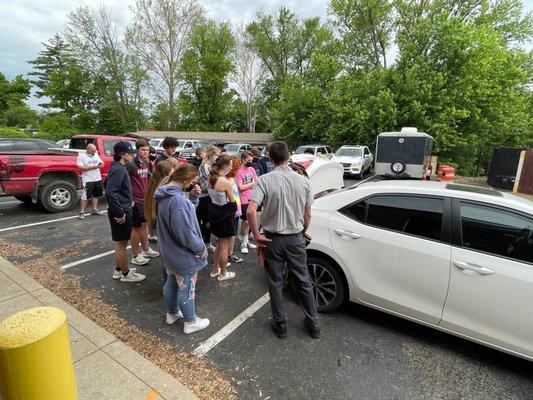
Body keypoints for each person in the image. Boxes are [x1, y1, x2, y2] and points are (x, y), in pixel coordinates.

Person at [247, 141, 320, 339]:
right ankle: (314, 323)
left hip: (272, 240)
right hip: (295, 239)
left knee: (276, 282)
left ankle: (280, 325)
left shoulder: (264, 180)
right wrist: (302, 231)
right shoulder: (304, 181)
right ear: (288, 157)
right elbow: (308, 216)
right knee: (303, 280)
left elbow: (251, 210)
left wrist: (256, 234)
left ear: (270, 158)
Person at [154, 164, 210, 333]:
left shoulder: (166, 193)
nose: (192, 185)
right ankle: (190, 322)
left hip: (169, 252)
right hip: (182, 254)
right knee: (187, 287)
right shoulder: (177, 200)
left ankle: (172, 313)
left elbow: (182, 218)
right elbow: (185, 233)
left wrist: (192, 199)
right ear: (185, 180)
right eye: (192, 182)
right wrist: (200, 248)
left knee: (171, 282)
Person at [105, 141, 146, 283]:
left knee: (122, 242)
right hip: (120, 213)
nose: (132, 156)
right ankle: (126, 274)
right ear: (122, 154)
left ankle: (118, 270)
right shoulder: (118, 169)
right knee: (122, 244)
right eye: (130, 153)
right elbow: (110, 192)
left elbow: (112, 187)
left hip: (124, 207)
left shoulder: (118, 167)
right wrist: (119, 212)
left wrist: (128, 201)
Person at [126, 139, 160, 266]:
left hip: (145, 199)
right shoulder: (131, 164)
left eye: (147, 150)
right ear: (137, 150)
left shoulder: (147, 163)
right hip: (135, 201)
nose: (146, 152)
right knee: (136, 228)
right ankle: (135, 255)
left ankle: (145, 249)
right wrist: (129, 198)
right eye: (143, 150)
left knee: (145, 225)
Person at [207, 155, 237, 281]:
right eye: (230, 165)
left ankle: (214, 270)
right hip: (224, 214)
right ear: (224, 167)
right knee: (224, 245)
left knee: (220, 243)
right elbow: (232, 202)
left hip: (214, 212)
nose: (231, 167)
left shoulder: (210, 178)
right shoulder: (225, 182)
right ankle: (223, 273)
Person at [197, 145, 220, 253]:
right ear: (211, 155)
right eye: (216, 155)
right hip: (204, 196)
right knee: (206, 221)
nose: (217, 157)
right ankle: (204, 243)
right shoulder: (204, 165)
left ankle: (206, 242)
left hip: (210, 195)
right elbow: (209, 182)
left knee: (208, 221)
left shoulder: (212, 164)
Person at [236, 151, 258, 254]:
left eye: (252, 161)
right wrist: (251, 183)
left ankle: (245, 239)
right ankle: (243, 243)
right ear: (243, 159)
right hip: (243, 198)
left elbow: (257, 182)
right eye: (249, 160)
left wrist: (250, 184)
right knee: (245, 222)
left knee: (250, 220)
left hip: (252, 197)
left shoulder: (252, 169)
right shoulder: (238, 171)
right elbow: (240, 187)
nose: (251, 162)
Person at [77, 143, 105, 219]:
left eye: (95, 151)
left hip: (97, 178)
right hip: (88, 179)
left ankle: (94, 210)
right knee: (85, 197)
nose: (94, 152)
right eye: (92, 151)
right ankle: (82, 212)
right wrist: (95, 167)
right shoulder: (81, 156)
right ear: (88, 149)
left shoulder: (96, 154)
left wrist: (101, 164)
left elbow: (102, 163)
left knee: (96, 195)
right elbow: (81, 168)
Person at [227, 156, 244, 265]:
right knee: (229, 235)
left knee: (232, 234)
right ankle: (226, 256)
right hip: (231, 211)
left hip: (235, 210)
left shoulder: (232, 178)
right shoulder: (227, 180)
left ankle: (230, 254)